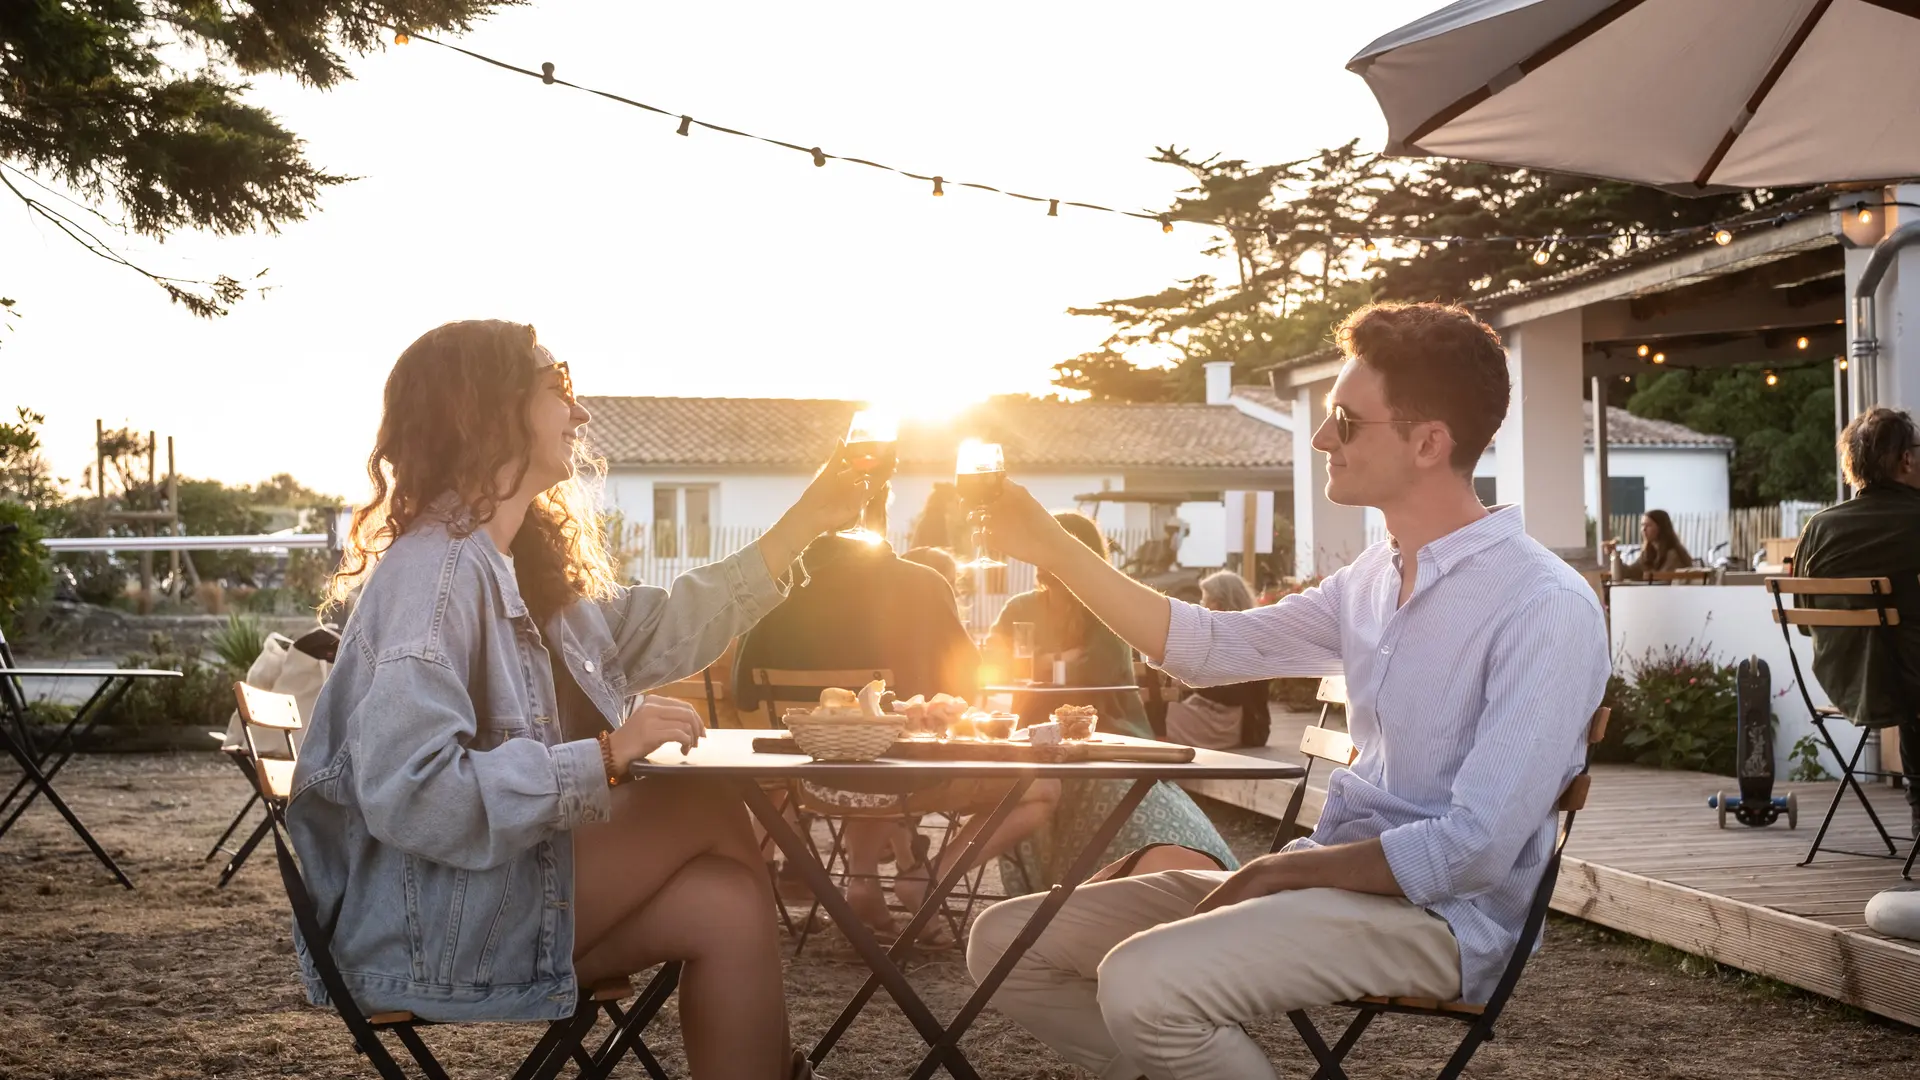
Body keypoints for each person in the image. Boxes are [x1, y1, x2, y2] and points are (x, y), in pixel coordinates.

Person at [966, 301, 1610, 1080]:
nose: (1320, 439)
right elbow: (1205, 649)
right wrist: (1053, 551)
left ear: (1428, 443)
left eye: (1345, 419)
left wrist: (1283, 870)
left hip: (1442, 921)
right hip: (1327, 881)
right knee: (1004, 947)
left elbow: (1471, 854)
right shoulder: (1372, 577)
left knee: (1142, 980)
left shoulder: (1543, 607)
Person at [288, 320, 865, 1080]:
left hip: (484, 904)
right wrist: (602, 756)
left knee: (730, 906)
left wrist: (804, 525)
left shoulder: (517, 566)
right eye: (558, 386)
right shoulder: (434, 576)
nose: (580, 413)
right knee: (706, 808)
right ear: (487, 409)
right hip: (425, 927)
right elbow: (413, 793)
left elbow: (660, 629)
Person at [733, 486, 1019, 933]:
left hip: (797, 772)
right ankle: (923, 879)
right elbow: (966, 685)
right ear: (883, 513)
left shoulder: (778, 584)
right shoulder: (921, 582)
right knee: (1037, 788)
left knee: (870, 744)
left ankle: (860, 882)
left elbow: (741, 691)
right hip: (898, 773)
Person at [928, 511, 1237, 906]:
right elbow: (992, 667)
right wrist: (1056, 662)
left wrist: (1047, 666)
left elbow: (1098, 676)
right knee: (1029, 787)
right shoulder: (1020, 609)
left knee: (1113, 797)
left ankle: (1130, 893)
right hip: (1027, 741)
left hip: (1108, 741)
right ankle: (1061, 900)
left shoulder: (1103, 611)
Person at [1791, 406, 1920, 841]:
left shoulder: (1820, 528)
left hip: (1845, 681)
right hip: (1909, 680)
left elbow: (1807, 623)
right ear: (1906, 460)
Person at [1161, 570, 1272, 749]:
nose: (1202, 606)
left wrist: (1190, 681)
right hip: (1220, 714)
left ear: (1220, 603)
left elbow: (1234, 693)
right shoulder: (1226, 633)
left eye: (1205, 600)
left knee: (1159, 716)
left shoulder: (1244, 638)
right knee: (1156, 711)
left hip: (1239, 723)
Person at [1604, 509, 1693, 580]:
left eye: (1648, 525)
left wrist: (1647, 576)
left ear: (1661, 528)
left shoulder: (1673, 555)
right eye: (1642, 525)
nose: (1643, 529)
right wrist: (1614, 554)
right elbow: (1630, 572)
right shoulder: (1648, 553)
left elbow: (1661, 582)